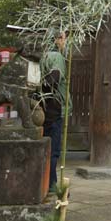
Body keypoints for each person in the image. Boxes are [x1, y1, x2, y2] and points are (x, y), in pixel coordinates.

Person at [40, 31, 68, 194]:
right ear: (58, 40)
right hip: (54, 108)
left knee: (46, 147)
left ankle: (47, 183)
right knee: (53, 150)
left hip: (43, 107)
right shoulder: (55, 57)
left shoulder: (43, 56)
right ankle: (51, 185)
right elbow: (54, 77)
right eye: (64, 38)